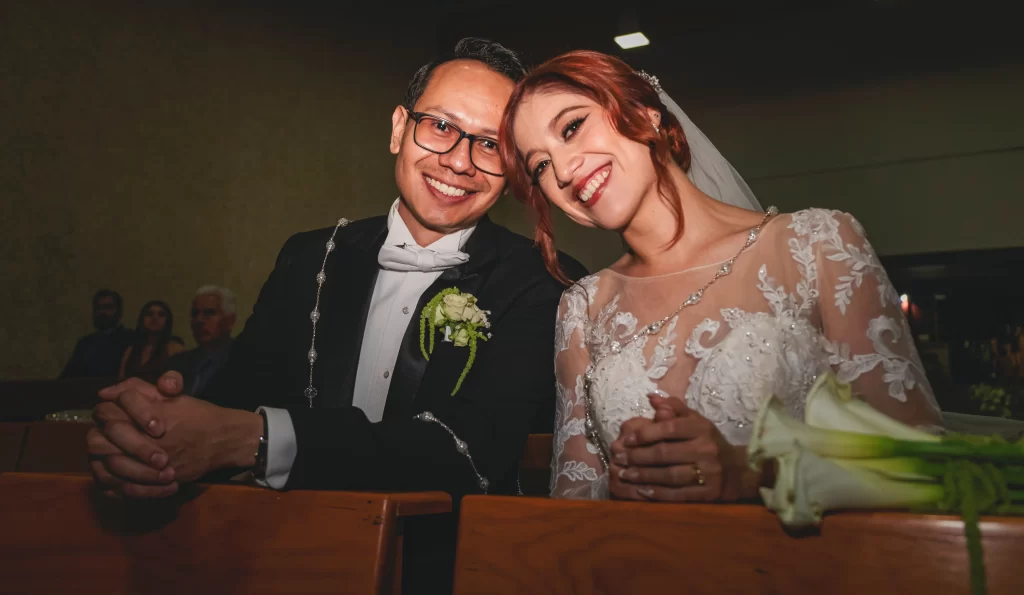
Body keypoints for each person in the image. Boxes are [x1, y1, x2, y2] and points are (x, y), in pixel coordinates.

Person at [88, 38, 585, 593]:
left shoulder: (544, 278)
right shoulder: (308, 256)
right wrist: (158, 432)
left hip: (447, 570)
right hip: (281, 555)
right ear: (399, 127)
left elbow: (471, 451)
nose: (459, 161)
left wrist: (248, 438)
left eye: (489, 144)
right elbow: (238, 396)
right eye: (440, 126)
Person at [499, 50, 942, 503]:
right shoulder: (582, 308)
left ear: (643, 111)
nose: (566, 171)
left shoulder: (818, 245)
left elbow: (921, 462)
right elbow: (572, 501)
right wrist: (620, 489)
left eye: (572, 128)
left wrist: (755, 476)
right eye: (541, 166)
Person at [165, 286, 237, 397]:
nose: (199, 320)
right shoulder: (178, 362)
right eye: (194, 314)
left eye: (209, 313)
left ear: (230, 321)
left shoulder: (245, 358)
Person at [60, 289, 136, 380]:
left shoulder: (131, 338)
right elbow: (68, 376)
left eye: (108, 307)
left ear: (119, 311)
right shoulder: (85, 343)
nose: (102, 312)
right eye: (98, 308)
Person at [119, 300, 184, 382]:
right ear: (142, 319)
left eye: (161, 315)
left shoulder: (174, 348)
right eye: (149, 314)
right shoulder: (131, 350)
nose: (155, 317)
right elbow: (121, 379)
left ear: (167, 320)